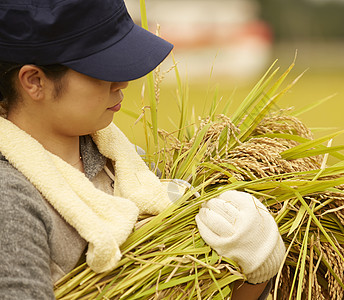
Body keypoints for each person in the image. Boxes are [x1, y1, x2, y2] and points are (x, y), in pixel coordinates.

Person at [0, 0, 286, 299]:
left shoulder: (130, 168)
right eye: (101, 68)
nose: (122, 82)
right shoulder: (11, 202)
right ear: (34, 81)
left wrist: (253, 273)